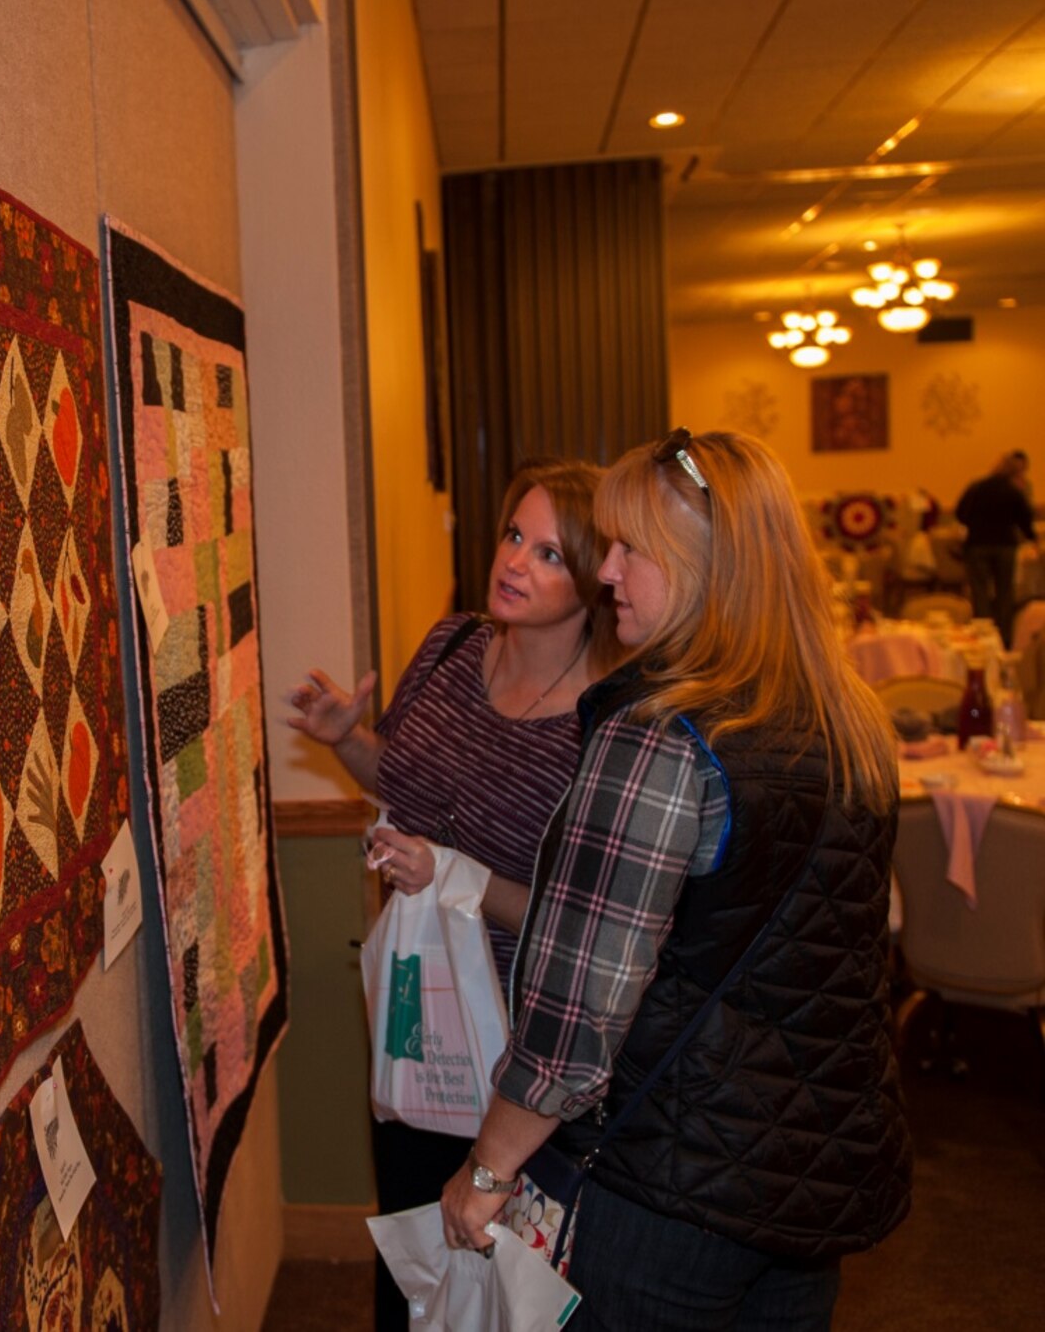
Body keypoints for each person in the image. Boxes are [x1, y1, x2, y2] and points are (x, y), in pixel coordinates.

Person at [439, 430, 911, 1331]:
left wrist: (488, 1170)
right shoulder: (851, 721)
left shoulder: (659, 734)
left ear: (702, 566)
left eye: (631, 548)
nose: (606, 569)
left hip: (660, 1188)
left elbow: (578, 1008)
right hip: (804, 1190)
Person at [284, 458, 619, 1332]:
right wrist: (347, 741)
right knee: (410, 1259)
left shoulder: (608, 719)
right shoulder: (450, 645)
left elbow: (584, 923)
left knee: (508, 1288)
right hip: (418, 1013)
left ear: (595, 580)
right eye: (515, 535)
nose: (515, 562)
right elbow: (406, 788)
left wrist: (456, 876)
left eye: (550, 553)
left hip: (522, 1048)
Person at [955, 449, 1036, 644]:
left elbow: (960, 513)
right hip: (1005, 546)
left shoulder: (977, 487)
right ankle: (1004, 640)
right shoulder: (1013, 491)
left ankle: (983, 637)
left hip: (977, 544)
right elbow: (1025, 519)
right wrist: (1033, 539)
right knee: (1005, 593)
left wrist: (976, 523)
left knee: (980, 593)